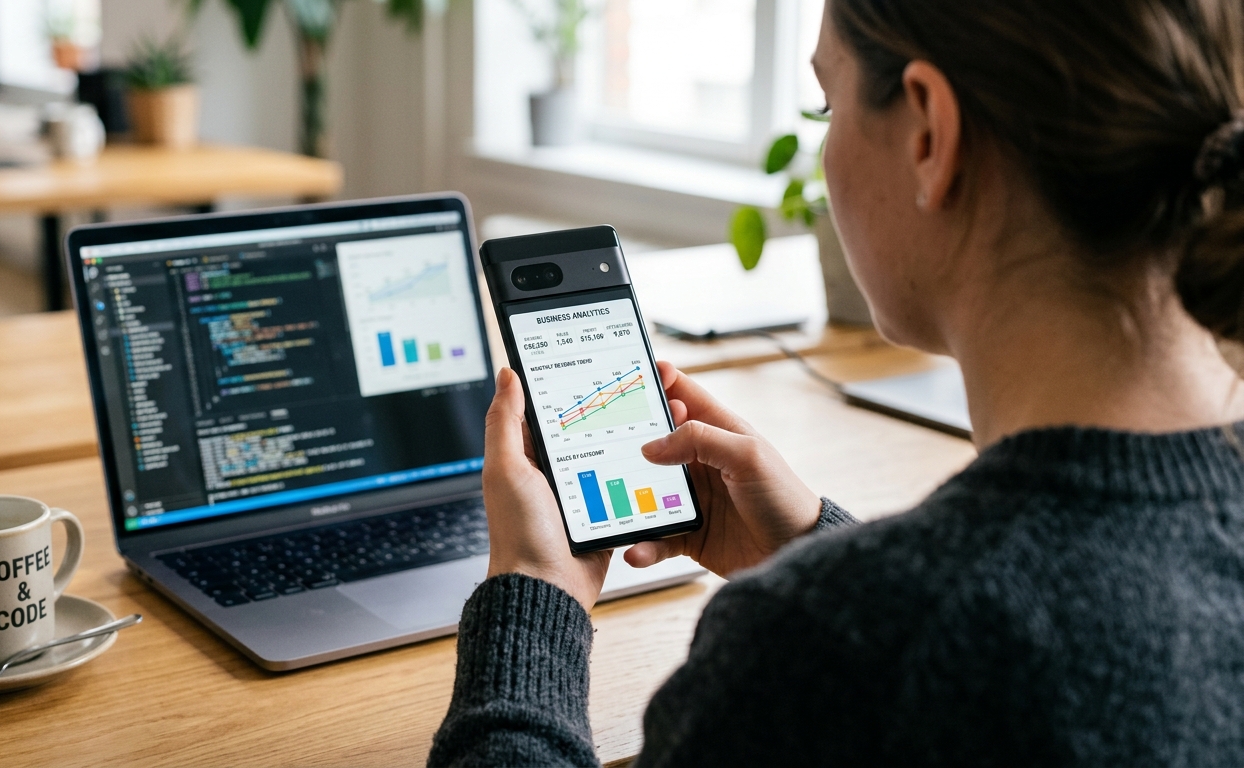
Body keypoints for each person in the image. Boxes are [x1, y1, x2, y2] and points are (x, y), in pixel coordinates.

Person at [429, 0, 1244, 764]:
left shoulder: (817, 648)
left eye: (827, 106)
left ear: (929, 132)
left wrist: (532, 597)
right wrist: (821, 547)